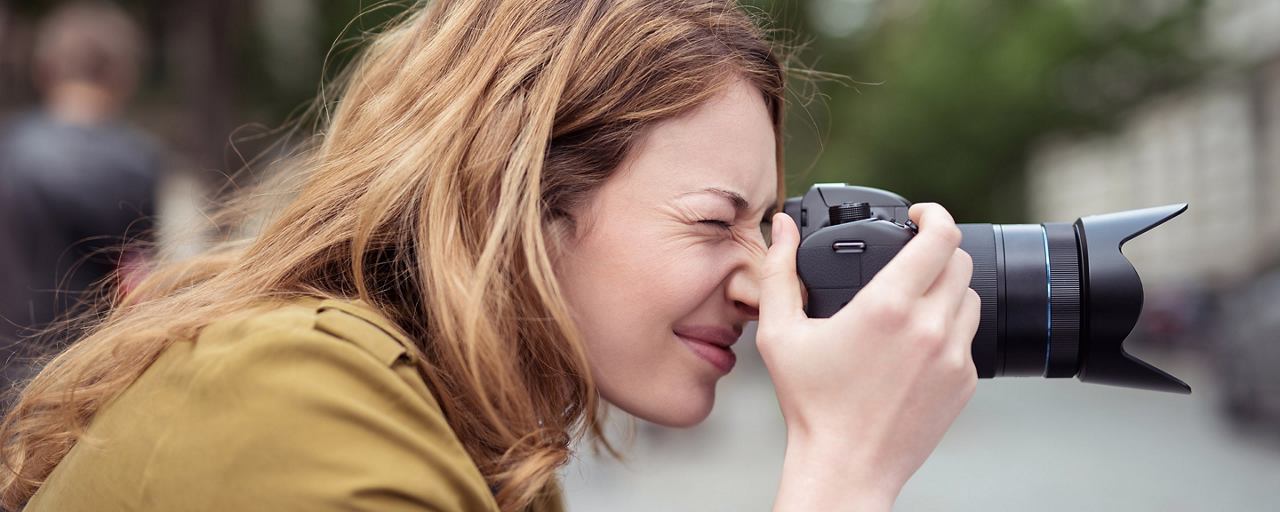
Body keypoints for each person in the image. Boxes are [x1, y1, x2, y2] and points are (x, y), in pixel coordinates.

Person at [0, 0, 979, 511]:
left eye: (763, 228)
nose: (758, 278)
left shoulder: (474, 440)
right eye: (714, 219)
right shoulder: (290, 392)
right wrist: (841, 470)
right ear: (524, 191)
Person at [0, 2, 160, 392]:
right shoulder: (138, 162)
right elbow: (137, 286)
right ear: (122, 75)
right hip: (83, 382)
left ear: (45, 70)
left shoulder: (7, 149)